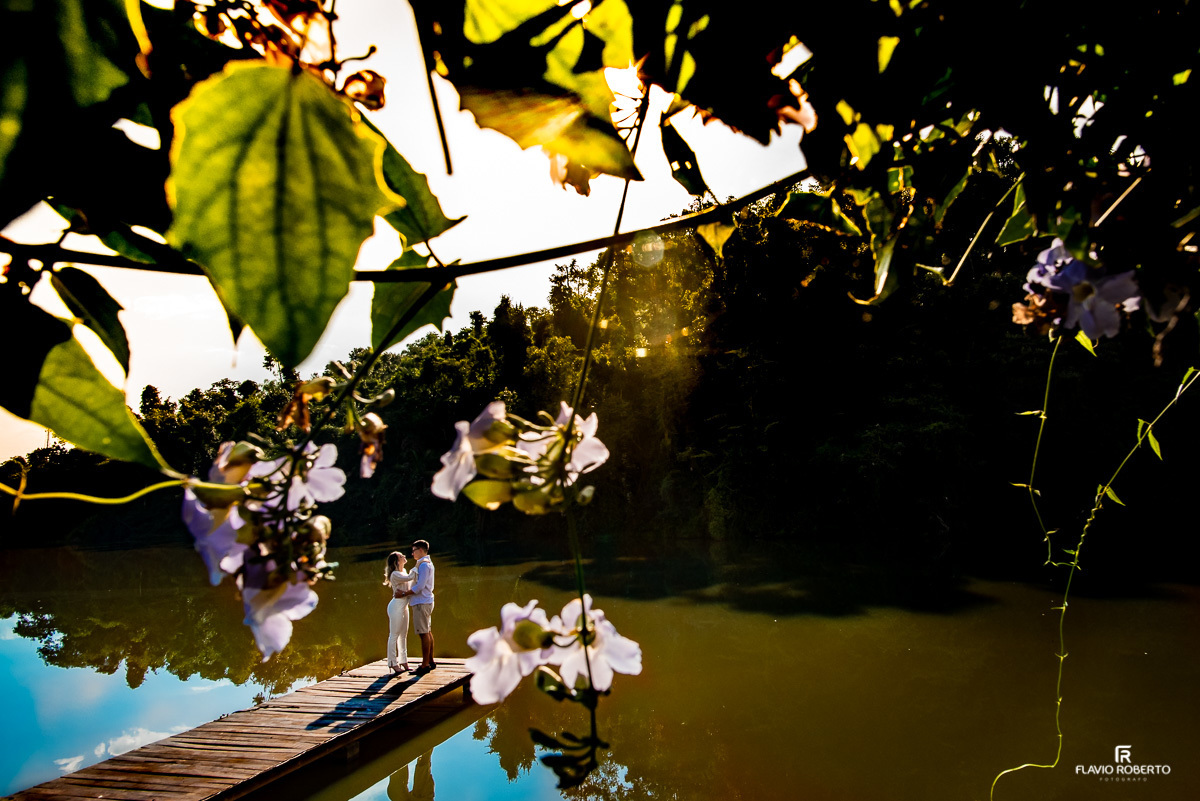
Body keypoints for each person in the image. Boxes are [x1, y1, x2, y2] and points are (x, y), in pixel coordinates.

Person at [396, 539, 436, 672]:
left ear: (420, 550)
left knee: (423, 633)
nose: (412, 554)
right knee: (427, 632)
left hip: (421, 602)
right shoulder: (427, 563)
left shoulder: (424, 565)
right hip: (425, 601)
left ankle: (425, 665)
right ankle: (430, 660)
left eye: (413, 551)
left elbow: (419, 586)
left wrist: (403, 593)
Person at [383, 551, 414, 674]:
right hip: (396, 606)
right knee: (394, 635)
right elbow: (410, 578)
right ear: (396, 562)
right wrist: (419, 567)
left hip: (404, 606)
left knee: (403, 635)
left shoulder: (404, 571)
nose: (404, 557)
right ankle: (392, 663)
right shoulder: (395, 574)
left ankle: (403, 661)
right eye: (401, 556)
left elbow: (411, 583)